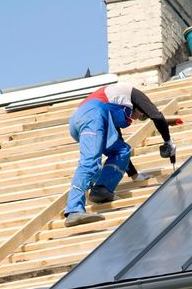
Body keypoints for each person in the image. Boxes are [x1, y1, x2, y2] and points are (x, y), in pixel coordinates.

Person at [64, 83, 176, 227]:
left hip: (93, 118)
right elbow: (157, 116)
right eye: (142, 115)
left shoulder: (115, 109)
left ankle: (102, 189)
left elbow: (119, 142)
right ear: (139, 107)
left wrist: (135, 176)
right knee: (90, 161)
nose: (140, 117)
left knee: (122, 150)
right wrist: (168, 141)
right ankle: (74, 210)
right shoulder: (133, 94)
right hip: (91, 116)